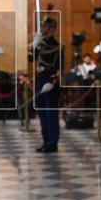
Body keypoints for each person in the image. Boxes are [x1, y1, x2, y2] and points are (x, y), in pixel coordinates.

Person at [30, 11, 61, 153]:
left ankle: (53, 143)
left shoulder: (59, 47)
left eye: (47, 27)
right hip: (39, 81)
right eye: (43, 26)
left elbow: (59, 70)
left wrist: (52, 83)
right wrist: (34, 46)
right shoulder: (39, 44)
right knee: (42, 114)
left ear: (53, 29)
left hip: (50, 85)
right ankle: (45, 141)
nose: (44, 29)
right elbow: (30, 59)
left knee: (50, 115)